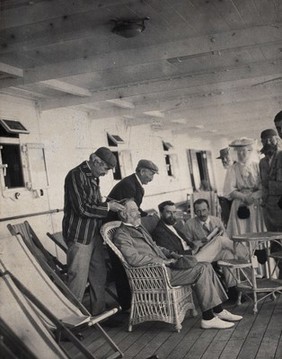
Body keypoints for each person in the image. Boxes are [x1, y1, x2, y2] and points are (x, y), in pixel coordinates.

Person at [114, 199, 243, 329]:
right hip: (158, 274)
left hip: (165, 267)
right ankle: (208, 318)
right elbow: (134, 259)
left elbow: (156, 247)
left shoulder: (139, 228)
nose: (138, 213)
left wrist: (172, 254)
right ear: (124, 215)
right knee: (201, 269)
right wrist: (162, 261)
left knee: (206, 265)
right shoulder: (122, 235)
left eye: (137, 209)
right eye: (133, 210)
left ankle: (218, 311)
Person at [62, 147, 124, 315]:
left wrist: (112, 206)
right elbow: (81, 209)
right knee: (78, 279)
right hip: (79, 235)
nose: (106, 173)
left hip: (93, 234)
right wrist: (109, 207)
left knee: (99, 274)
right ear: (96, 161)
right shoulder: (76, 175)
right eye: (105, 169)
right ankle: (70, 322)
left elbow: (94, 202)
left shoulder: (93, 176)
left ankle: (99, 315)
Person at [105, 159, 159, 311]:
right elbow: (126, 211)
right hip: (116, 229)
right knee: (122, 267)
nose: (152, 178)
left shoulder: (135, 184)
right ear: (142, 171)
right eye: (151, 174)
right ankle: (128, 305)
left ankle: (135, 302)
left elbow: (134, 209)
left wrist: (145, 213)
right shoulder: (128, 185)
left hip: (122, 227)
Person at [170, 199, 247, 300]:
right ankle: (247, 255)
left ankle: (232, 288)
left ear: (209, 209)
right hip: (201, 255)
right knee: (220, 240)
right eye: (198, 211)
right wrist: (197, 243)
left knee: (227, 253)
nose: (202, 214)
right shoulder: (190, 224)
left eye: (204, 210)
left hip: (217, 253)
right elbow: (186, 246)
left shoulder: (216, 221)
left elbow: (226, 238)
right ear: (195, 211)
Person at [223, 137, 266, 238]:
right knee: (243, 229)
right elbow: (229, 190)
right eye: (238, 152)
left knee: (257, 229)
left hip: (256, 202)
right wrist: (244, 197)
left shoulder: (257, 166)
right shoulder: (233, 169)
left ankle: (259, 251)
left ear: (249, 151)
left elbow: (263, 186)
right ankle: (244, 252)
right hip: (240, 202)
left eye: (243, 151)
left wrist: (254, 196)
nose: (241, 154)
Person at [259, 128, 282, 277]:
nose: (268, 143)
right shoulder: (262, 162)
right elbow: (263, 184)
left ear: (277, 140)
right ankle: (280, 276)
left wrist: (270, 185)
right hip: (269, 210)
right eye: (264, 140)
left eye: (271, 139)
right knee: (274, 243)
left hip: (281, 205)